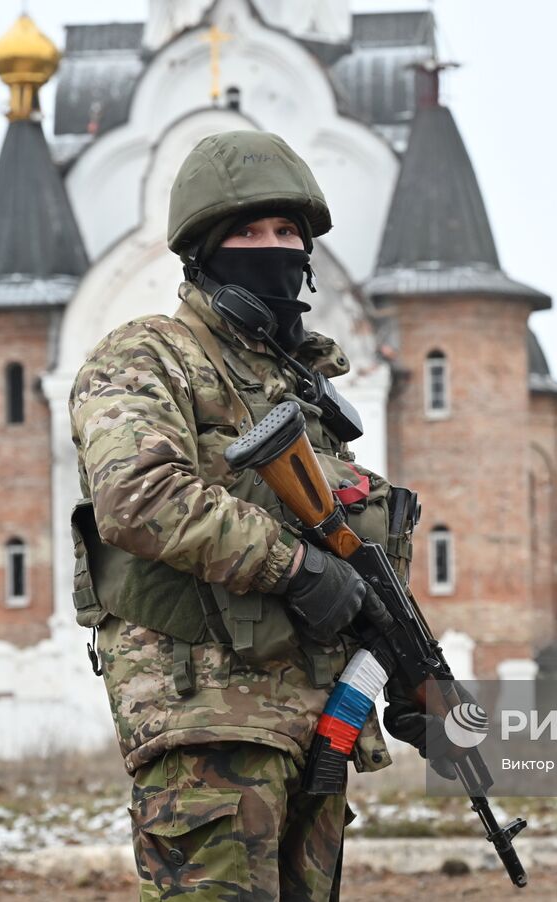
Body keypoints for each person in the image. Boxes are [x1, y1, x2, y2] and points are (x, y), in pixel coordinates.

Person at [67, 130, 439, 901]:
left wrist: (409, 673)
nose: (271, 248)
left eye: (285, 233)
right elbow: (139, 496)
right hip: (207, 724)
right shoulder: (146, 356)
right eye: (247, 231)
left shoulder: (307, 394)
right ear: (202, 252)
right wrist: (294, 568)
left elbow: (355, 563)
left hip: (319, 728)